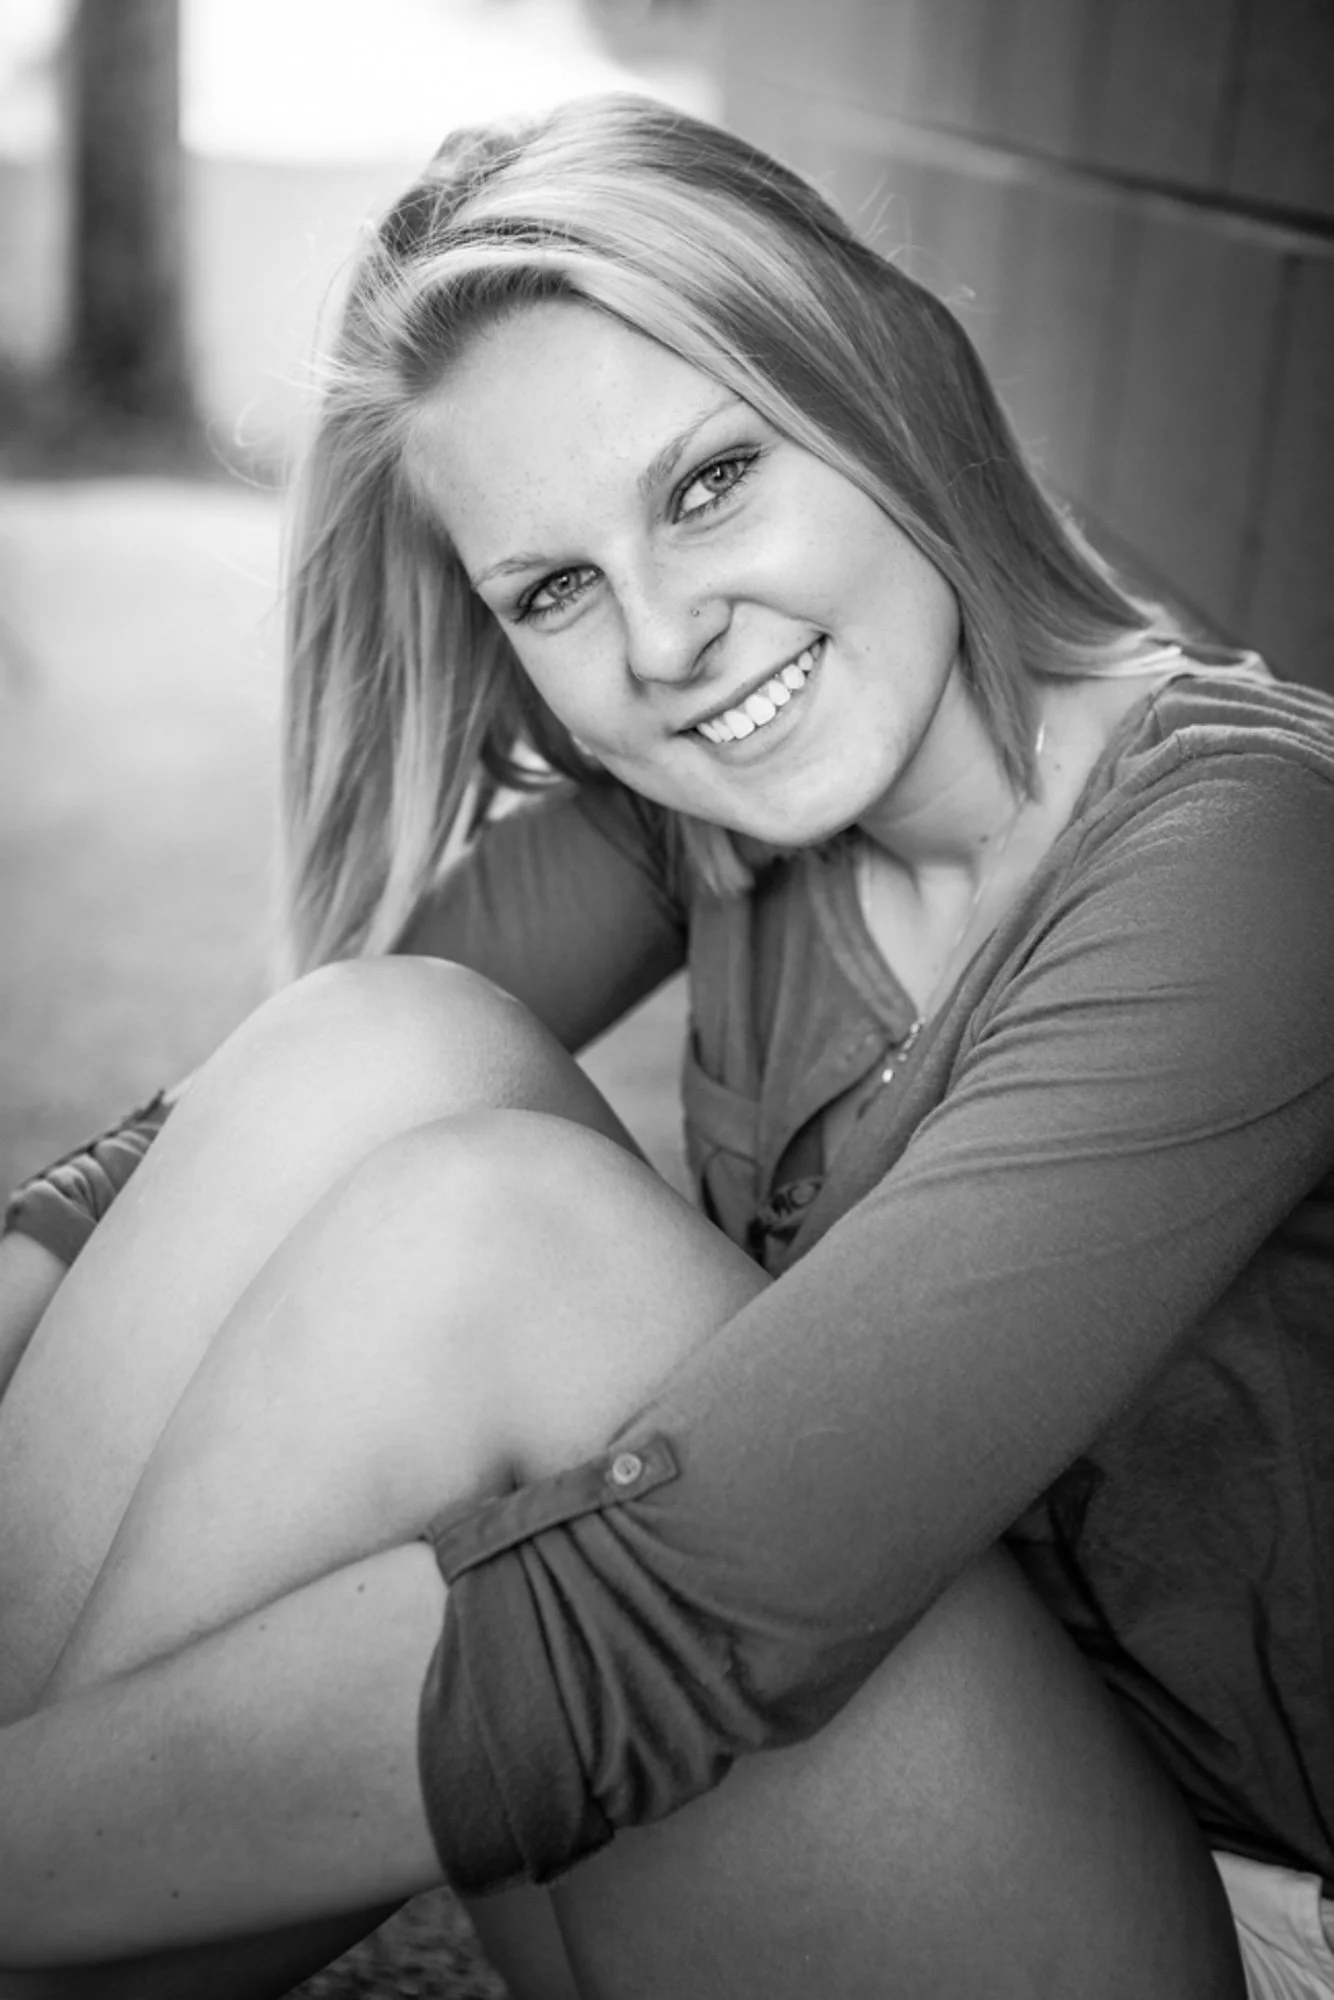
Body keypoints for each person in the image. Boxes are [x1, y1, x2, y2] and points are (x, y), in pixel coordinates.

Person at [0, 91, 1331, 2000]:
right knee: (387, 1043)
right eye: (552, 588)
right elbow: (229, 1130)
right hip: (927, 1802)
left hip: (1249, 1923)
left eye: (709, 483)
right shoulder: (726, 795)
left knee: (497, 1257)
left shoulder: (1258, 855)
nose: (664, 636)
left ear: (878, 377)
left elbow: (680, 1616)